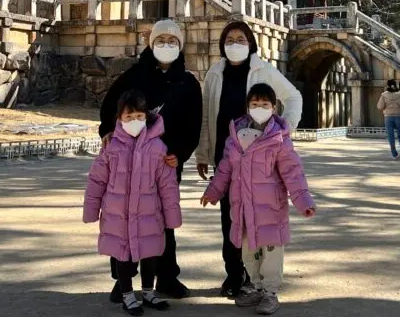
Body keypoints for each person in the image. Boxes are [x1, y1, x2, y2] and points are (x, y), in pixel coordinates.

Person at [196, 21, 303, 298]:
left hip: (261, 157)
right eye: (229, 39)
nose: (235, 43)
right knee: (230, 219)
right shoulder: (214, 73)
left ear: (251, 43)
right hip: (227, 154)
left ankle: (262, 279)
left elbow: (293, 96)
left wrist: (285, 128)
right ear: (222, 43)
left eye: (240, 39)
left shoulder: (262, 70)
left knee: (260, 215)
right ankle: (235, 274)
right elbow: (208, 115)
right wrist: (204, 152)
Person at [98, 19, 201, 301]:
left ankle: (167, 277)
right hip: (128, 163)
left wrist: (179, 153)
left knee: (163, 220)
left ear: (180, 46)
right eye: (160, 40)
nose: (166, 45)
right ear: (151, 43)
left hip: (164, 163)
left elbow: (193, 124)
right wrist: (107, 132)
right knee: (126, 221)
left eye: (172, 41)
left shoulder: (188, 82)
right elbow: (110, 107)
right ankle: (124, 281)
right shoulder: (132, 76)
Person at [201, 83, 316, 315]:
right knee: (249, 252)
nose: (259, 108)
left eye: (265, 104)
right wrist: (213, 191)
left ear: (274, 107)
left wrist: (303, 201)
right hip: (243, 208)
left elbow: (292, 173)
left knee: (271, 254)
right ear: (247, 107)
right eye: (255, 104)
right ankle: (256, 286)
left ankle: (271, 293)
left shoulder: (279, 139)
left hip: (270, 209)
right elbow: (225, 169)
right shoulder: (235, 137)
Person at [84, 91, 183, 316]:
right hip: (118, 215)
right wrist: (91, 209)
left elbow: (167, 185)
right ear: (119, 119)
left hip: (149, 214)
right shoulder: (111, 146)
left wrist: (172, 215)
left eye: (139, 116)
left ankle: (148, 291)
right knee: (123, 257)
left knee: (150, 255)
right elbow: (97, 179)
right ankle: (127, 294)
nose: (134, 122)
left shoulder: (158, 147)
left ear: (146, 117)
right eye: (128, 118)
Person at [377, 79, 400, 159]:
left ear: (388, 85)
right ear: (396, 85)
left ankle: (394, 154)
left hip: (388, 117)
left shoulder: (384, 95)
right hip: (398, 116)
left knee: (390, 136)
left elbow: (379, 106)